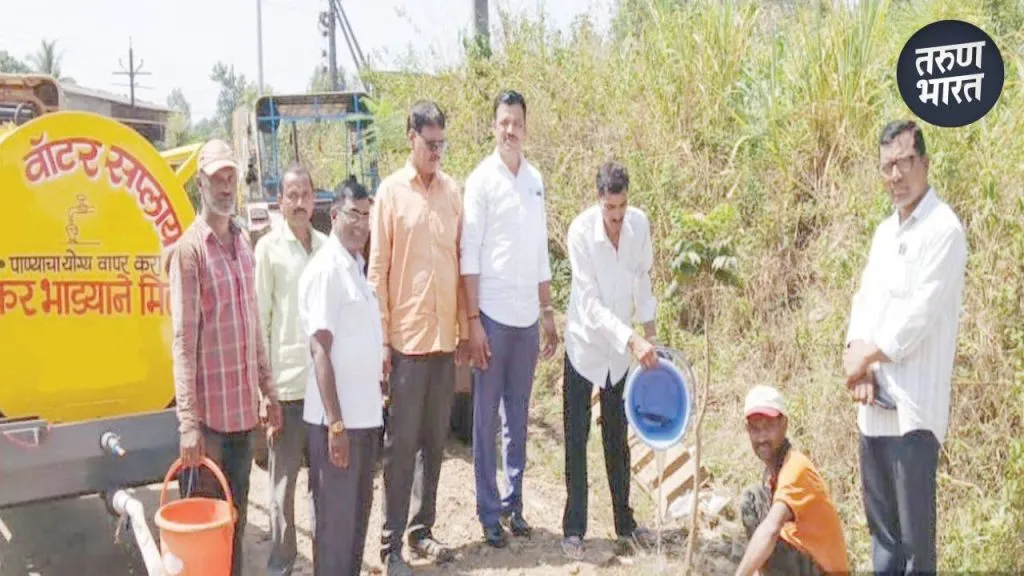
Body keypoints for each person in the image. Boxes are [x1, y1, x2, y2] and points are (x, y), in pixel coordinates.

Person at [843, 120, 967, 574]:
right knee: (884, 542)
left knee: (915, 550)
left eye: (904, 163)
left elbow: (920, 313)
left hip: (913, 413)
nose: (895, 175)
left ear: (925, 163)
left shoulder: (943, 230)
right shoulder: (884, 233)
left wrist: (869, 353)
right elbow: (864, 300)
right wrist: (857, 358)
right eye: (886, 166)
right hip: (873, 407)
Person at [167, 138, 282, 576]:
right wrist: (188, 424)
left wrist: (268, 391)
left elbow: (252, 328)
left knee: (233, 527)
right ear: (200, 183)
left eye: (231, 176)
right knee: (203, 536)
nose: (226, 185)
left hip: (242, 421)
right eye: (217, 178)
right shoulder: (190, 251)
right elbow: (183, 344)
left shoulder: (243, 244)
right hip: (209, 429)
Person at [368, 100, 468, 575]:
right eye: (430, 144)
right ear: (411, 138)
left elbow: (461, 265)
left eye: (441, 144)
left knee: (434, 442)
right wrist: (381, 341)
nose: (436, 152)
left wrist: (464, 329)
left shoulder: (453, 192)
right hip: (406, 344)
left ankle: (421, 529)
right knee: (400, 447)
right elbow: (378, 271)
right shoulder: (390, 193)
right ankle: (390, 546)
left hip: (443, 342)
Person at [461, 89, 558, 548]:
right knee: (485, 419)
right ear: (493, 126)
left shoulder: (534, 180)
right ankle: (488, 512)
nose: (510, 130)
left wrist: (547, 312)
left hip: (525, 319)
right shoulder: (481, 180)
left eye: (517, 122)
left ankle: (513, 503)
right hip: (493, 316)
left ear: (526, 127)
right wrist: (473, 320)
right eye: (503, 122)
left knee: (517, 417)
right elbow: (469, 254)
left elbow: (540, 252)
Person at [560, 161, 658, 559]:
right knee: (576, 438)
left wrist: (651, 335)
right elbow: (589, 305)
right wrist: (632, 338)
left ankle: (625, 523)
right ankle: (574, 528)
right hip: (584, 348)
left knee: (617, 438)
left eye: (621, 207)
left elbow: (643, 281)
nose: (616, 217)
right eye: (609, 209)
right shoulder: (580, 233)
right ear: (598, 200)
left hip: (619, 355)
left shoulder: (639, 226)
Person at [299, 179, 382, 576]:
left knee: (354, 529)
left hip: (364, 420)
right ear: (334, 216)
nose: (361, 224)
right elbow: (320, 349)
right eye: (353, 215)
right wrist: (336, 425)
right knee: (334, 531)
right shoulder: (327, 269)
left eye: (367, 215)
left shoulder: (356, 267)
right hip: (337, 425)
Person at [254, 163, 328, 576]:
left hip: (323, 390)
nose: (299, 203)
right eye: (292, 195)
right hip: (285, 390)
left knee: (324, 486)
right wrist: (265, 394)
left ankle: (325, 564)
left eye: (305, 195)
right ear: (280, 202)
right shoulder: (268, 250)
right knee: (282, 487)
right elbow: (260, 322)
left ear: (314, 200)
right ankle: (281, 565)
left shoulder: (327, 248)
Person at [735, 385, 849, 576]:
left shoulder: (796, 468)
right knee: (755, 499)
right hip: (805, 564)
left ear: (784, 424)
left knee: (761, 521)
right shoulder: (774, 476)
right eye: (755, 428)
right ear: (747, 430)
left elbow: (771, 530)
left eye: (769, 427)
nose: (762, 437)